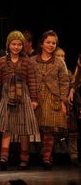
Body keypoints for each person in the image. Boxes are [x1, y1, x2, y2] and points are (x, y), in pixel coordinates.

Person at [0, 31, 39, 170]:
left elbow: (32, 81)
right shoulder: (1, 61)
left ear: (23, 46)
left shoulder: (27, 62)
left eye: (19, 44)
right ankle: (4, 157)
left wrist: (34, 99)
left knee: (23, 128)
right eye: (13, 44)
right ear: (8, 45)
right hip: (6, 96)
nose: (16, 47)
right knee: (7, 126)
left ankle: (24, 158)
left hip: (23, 97)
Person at [30, 30, 69, 170]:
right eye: (48, 42)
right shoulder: (32, 61)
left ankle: (47, 158)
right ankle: (43, 154)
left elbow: (65, 82)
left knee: (50, 129)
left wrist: (64, 101)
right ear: (41, 44)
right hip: (36, 99)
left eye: (54, 43)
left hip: (53, 99)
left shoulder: (59, 63)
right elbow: (28, 80)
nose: (51, 45)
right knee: (37, 129)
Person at [55, 47, 79, 165]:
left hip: (69, 107)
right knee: (58, 133)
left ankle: (73, 156)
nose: (61, 58)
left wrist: (72, 90)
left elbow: (74, 83)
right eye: (59, 56)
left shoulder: (68, 72)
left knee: (72, 132)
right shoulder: (54, 72)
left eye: (63, 56)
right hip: (56, 105)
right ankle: (59, 155)